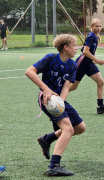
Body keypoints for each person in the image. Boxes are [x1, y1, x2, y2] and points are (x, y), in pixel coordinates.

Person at [25, 34, 86, 177]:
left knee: (80, 128)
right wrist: (45, 89)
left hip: (58, 101)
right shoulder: (50, 58)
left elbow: (66, 87)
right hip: (47, 100)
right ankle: (54, 166)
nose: (77, 48)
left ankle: (47, 139)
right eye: (75, 45)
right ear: (66, 47)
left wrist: (61, 102)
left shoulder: (72, 65)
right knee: (68, 129)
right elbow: (29, 72)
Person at [69, 18, 104, 114]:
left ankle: (100, 106)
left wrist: (94, 59)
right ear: (92, 27)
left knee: (100, 82)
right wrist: (96, 60)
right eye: (96, 26)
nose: (98, 28)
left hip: (89, 63)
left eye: (100, 26)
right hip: (82, 63)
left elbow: (91, 51)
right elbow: (85, 51)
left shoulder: (95, 37)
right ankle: (57, 95)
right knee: (73, 86)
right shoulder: (91, 37)